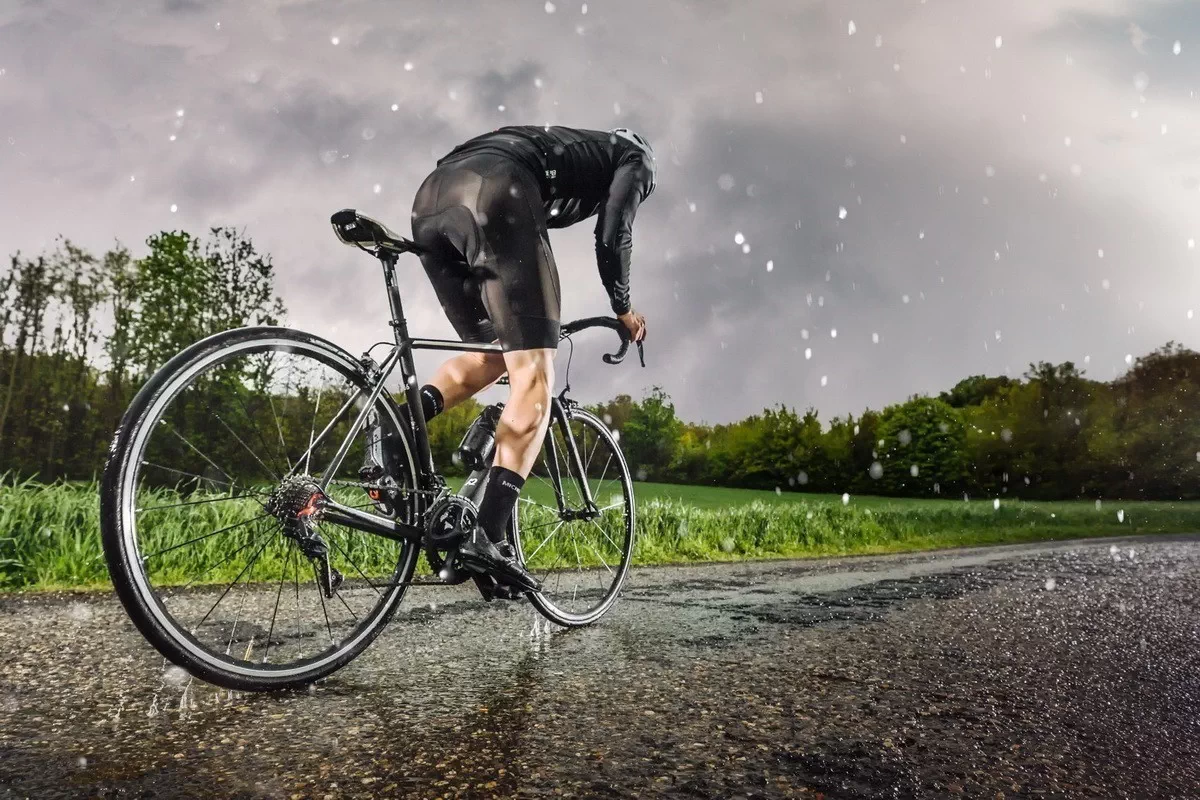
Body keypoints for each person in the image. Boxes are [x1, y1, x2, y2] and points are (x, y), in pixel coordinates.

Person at [407, 125, 656, 592]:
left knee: (492, 355)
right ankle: (488, 539)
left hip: (431, 200)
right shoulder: (636, 158)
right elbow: (613, 232)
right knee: (534, 374)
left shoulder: (565, 148)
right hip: (496, 187)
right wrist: (623, 307)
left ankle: (395, 436)